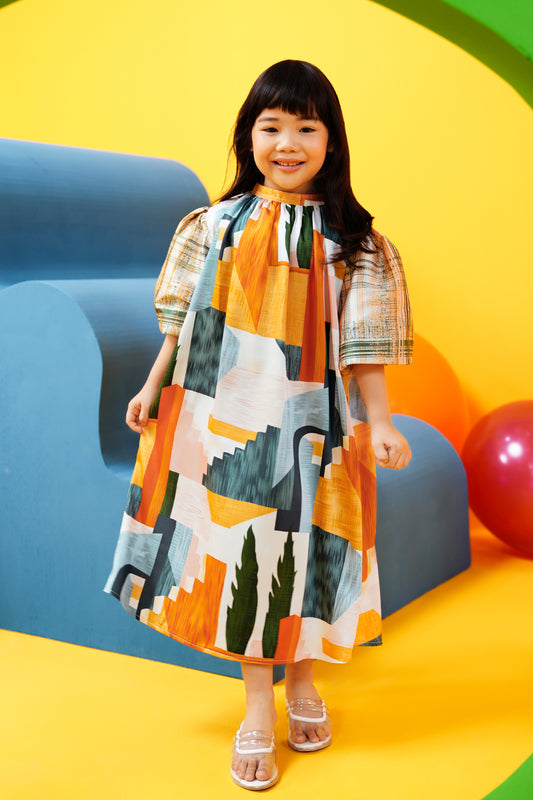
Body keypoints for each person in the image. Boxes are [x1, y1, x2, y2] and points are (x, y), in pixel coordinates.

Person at [104, 59, 413, 790]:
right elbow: (181, 322)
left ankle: (303, 683)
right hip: (223, 416)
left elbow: (365, 344)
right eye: (272, 127)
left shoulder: (355, 241)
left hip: (321, 423)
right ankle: (255, 707)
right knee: (243, 550)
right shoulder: (212, 224)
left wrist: (381, 421)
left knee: (310, 551)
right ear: (248, 136)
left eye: (306, 128)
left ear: (331, 142)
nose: (288, 144)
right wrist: (151, 386)